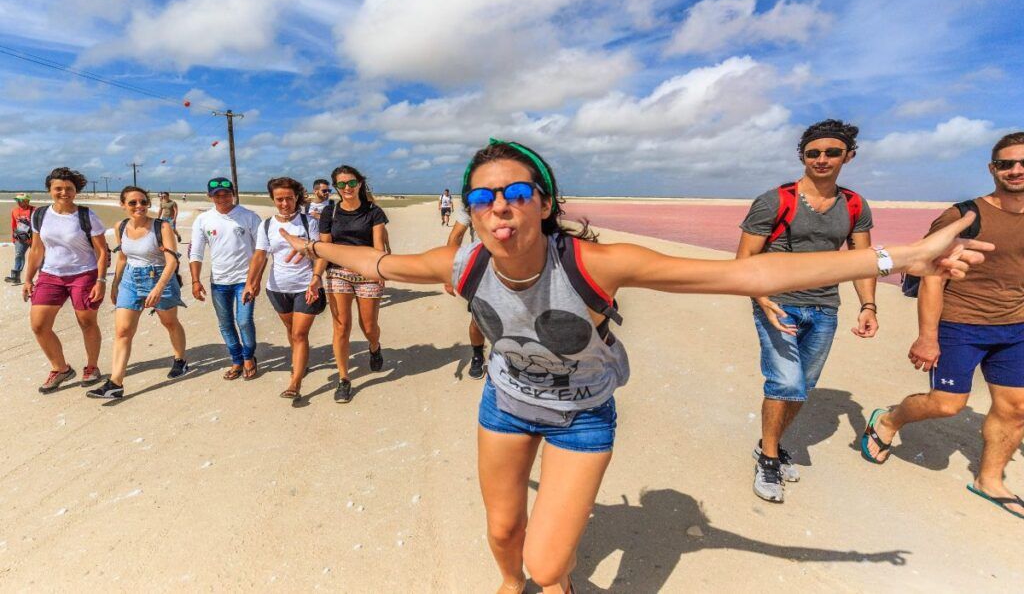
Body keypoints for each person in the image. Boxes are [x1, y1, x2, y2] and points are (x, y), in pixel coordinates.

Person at [277, 138, 988, 594]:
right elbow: (378, 260)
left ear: (544, 204)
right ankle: (505, 583)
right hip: (506, 404)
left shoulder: (593, 263)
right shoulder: (460, 263)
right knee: (503, 536)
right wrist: (319, 250)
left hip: (584, 413)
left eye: (517, 194)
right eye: (484, 197)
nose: (500, 207)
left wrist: (897, 258)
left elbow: (743, 277)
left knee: (551, 568)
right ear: (470, 210)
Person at [862, 132, 1024, 520]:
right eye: (1006, 164)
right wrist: (927, 336)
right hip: (960, 323)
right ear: (992, 169)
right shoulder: (965, 216)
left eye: (1023, 164)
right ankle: (888, 419)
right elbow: (932, 276)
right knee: (947, 405)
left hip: (1016, 327)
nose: (1016, 170)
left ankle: (989, 479)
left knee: (1016, 407)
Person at [736, 119, 877, 504]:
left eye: (832, 152)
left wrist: (868, 305)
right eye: (813, 152)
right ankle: (768, 458)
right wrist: (763, 299)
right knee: (784, 382)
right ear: (803, 156)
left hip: (825, 307)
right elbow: (744, 259)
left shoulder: (853, 204)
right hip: (778, 303)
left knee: (803, 387)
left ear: (848, 156)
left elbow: (863, 260)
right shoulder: (774, 200)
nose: (822, 159)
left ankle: (771, 442)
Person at [87, 186, 188, 399]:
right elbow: (122, 257)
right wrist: (115, 283)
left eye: (143, 202)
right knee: (123, 331)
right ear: (123, 205)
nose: (139, 206)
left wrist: (158, 288)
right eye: (133, 203)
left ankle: (180, 359)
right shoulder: (120, 226)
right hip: (130, 280)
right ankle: (115, 383)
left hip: (159, 276)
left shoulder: (161, 227)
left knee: (169, 322)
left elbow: (172, 261)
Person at [23, 167, 109, 392]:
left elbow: (101, 251)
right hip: (50, 275)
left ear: (75, 191)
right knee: (39, 325)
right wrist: (28, 279)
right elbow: (36, 249)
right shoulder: (39, 215)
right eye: (58, 188)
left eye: (68, 188)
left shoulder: (86, 215)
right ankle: (60, 368)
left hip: (84, 274)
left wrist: (101, 281)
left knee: (86, 322)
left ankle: (91, 367)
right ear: (50, 190)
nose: (63, 192)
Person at [244, 177, 326, 400]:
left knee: (299, 333)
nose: (284, 203)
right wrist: (250, 283)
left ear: (296, 197)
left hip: (305, 286)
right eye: (279, 199)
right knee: (291, 331)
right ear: (273, 199)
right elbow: (260, 255)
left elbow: (320, 253)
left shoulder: (308, 222)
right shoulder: (267, 224)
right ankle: (301, 362)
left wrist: (316, 278)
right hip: (277, 288)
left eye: (289, 198)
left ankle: (295, 382)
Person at [316, 165, 389, 403]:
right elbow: (324, 248)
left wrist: (379, 270)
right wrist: (316, 276)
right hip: (338, 273)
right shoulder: (330, 213)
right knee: (341, 327)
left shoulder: (373, 211)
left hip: (367, 271)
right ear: (336, 187)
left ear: (359, 183)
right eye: (341, 184)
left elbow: (379, 246)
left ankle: (375, 346)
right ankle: (344, 379)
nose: (347, 188)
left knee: (369, 326)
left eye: (351, 183)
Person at [189, 176, 262, 381]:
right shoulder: (203, 220)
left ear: (233, 194)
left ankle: (249, 357)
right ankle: (236, 359)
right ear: (210, 196)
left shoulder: (249, 217)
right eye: (217, 195)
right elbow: (196, 251)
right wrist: (195, 280)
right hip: (219, 282)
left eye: (226, 193)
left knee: (244, 321)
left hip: (244, 280)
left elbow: (260, 251)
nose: (222, 198)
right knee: (226, 323)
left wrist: (254, 280)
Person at [445, 203, 486, 379]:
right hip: (482, 268)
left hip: (517, 268)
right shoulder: (472, 201)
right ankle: (478, 355)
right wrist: (449, 274)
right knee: (477, 319)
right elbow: (456, 235)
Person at [5, 193, 34, 285]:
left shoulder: (34, 210)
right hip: (20, 238)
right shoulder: (14, 211)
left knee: (39, 257)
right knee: (18, 255)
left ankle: (44, 277)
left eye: (21, 200)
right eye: (17, 200)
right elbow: (13, 225)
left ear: (27, 201)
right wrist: (13, 238)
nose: (18, 202)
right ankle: (15, 277)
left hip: (34, 237)